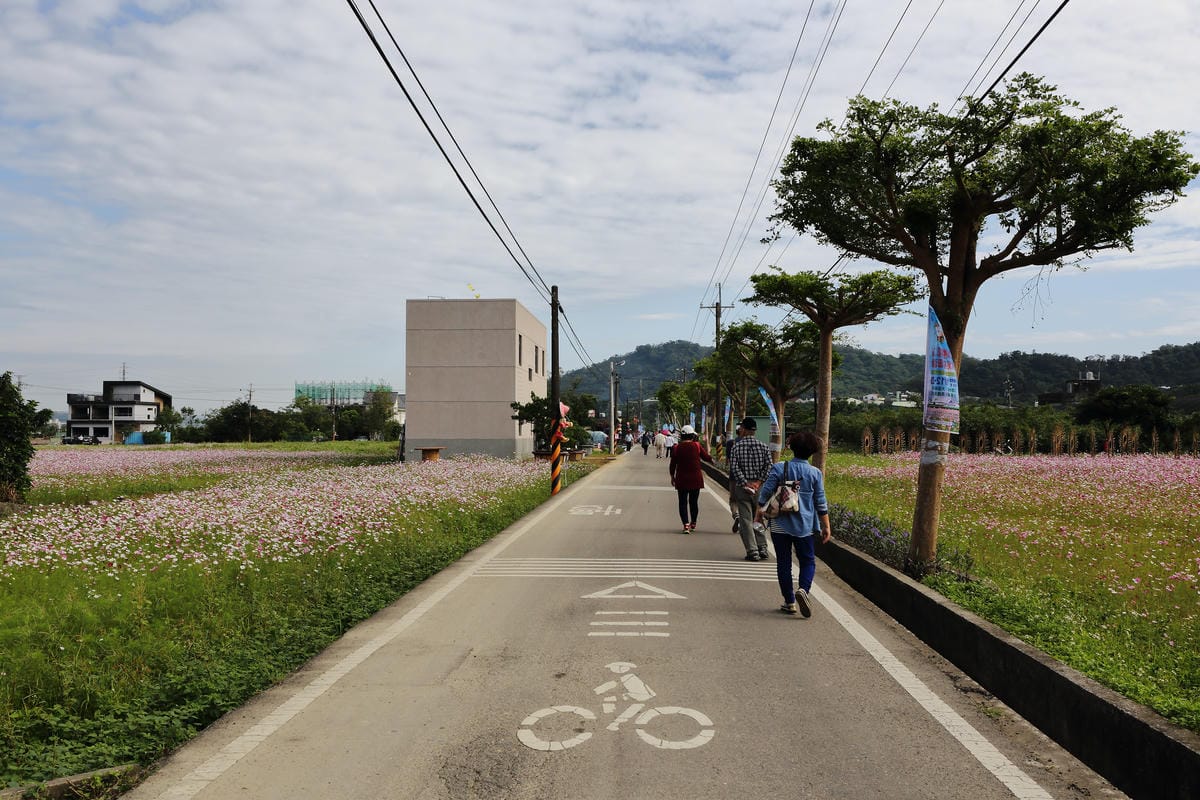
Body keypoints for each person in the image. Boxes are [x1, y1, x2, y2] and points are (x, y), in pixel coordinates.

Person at [755, 431, 831, 618]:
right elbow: (821, 502)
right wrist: (826, 526)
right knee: (807, 561)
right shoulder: (815, 473)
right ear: (812, 451)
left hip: (780, 523)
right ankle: (803, 589)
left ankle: (789, 602)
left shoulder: (780, 468)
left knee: (783, 563)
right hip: (805, 526)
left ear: (792, 447)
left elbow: (765, 493)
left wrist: (759, 514)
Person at [727, 417, 773, 561]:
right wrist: (758, 482)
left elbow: (734, 468)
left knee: (746, 520)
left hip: (742, 488)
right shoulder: (764, 446)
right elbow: (769, 466)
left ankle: (752, 551)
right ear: (754, 430)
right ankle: (762, 547)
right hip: (760, 489)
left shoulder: (736, 447)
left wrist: (745, 483)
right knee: (758, 517)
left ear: (743, 429)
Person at [668, 424, 713, 533]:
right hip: (695, 479)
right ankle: (693, 522)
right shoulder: (697, 446)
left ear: (682, 436)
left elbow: (672, 464)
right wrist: (711, 457)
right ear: (692, 435)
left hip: (681, 479)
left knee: (682, 502)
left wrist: (672, 476)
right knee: (694, 502)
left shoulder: (676, 448)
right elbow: (706, 457)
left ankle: (686, 525)